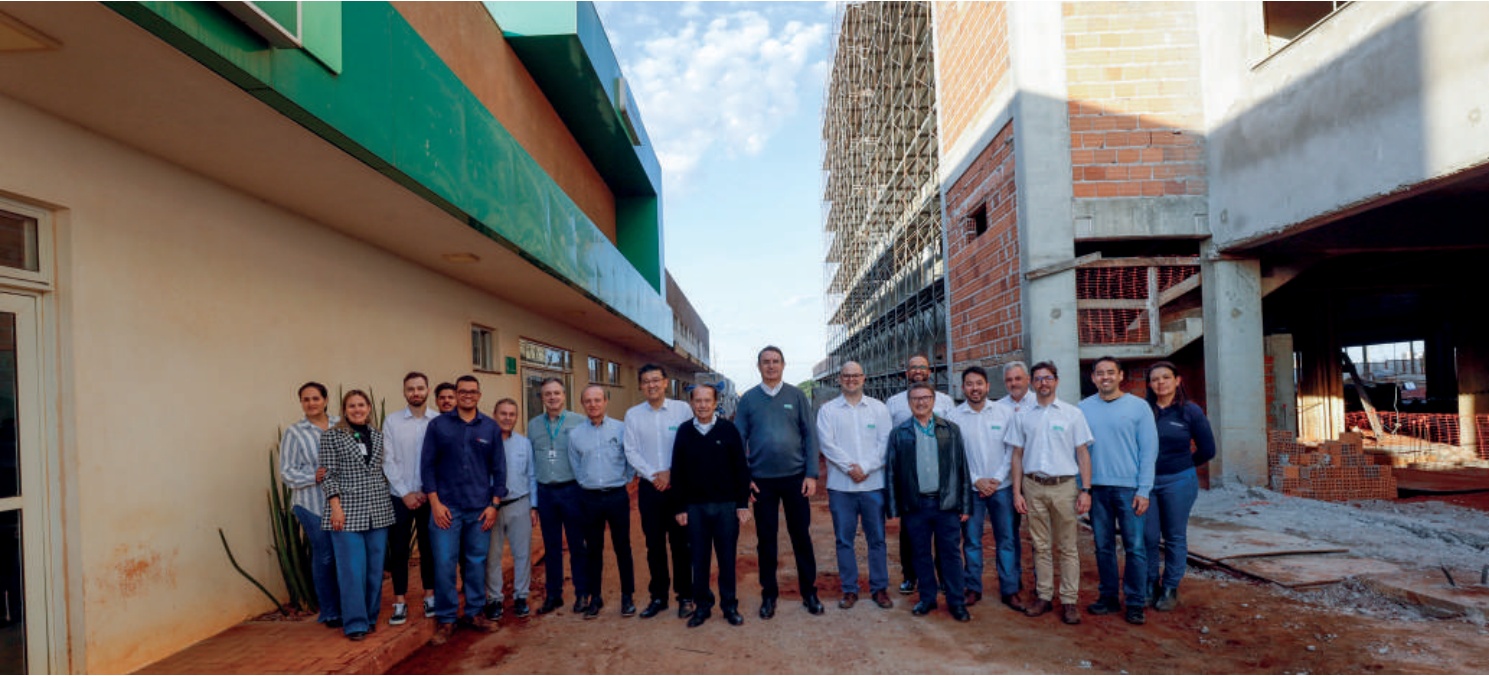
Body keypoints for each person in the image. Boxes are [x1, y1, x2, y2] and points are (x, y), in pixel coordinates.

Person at [734, 345, 823, 618]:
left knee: (801, 537)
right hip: (762, 482)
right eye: (766, 362)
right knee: (766, 540)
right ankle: (768, 595)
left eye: (775, 361)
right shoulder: (748, 399)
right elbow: (738, 440)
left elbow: (810, 436)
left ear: (783, 365)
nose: (771, 366)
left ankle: (809, 593)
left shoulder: (796, 396)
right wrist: (745, 478)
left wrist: (811, 474)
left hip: (796, 479)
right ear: (758, 366)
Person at [421, 375, 506, 645]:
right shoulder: (438, 426)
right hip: (446, 509)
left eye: (472, 391)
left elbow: (499, 470)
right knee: (444, 563)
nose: (467, 395)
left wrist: (494, 506)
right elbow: (427, 467)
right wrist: (435, 504)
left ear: (479, 395)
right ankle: (446, 620)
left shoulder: (490, 428)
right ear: (456, 394)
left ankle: (474, 613)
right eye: (462, 391)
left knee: (476, 562)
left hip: (480, 509)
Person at [1008, 362, 1093, 626]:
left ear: (1056, 381)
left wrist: (1086, 490)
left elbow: (1082, 453)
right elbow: (1017, 455)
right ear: (1032, 383)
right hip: (1033, 486)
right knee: (1040, 545)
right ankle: (1044, 596)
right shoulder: (1023, 415)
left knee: (1067, 546)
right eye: (1038, 379)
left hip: (1064, 487)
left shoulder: (1072, 414)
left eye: (1048, 378)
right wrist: (1017, 492)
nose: (1043, 383)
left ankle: (1069, 600)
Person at [1078, 356, 1158, 626]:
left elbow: (1148, 451)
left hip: (1129, 489)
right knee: (1103, 547)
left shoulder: (1139, 408)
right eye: (1100, 373)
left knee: (1135, 547)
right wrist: (1082, 487)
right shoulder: (1082, 409)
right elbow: (1079, 451)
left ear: (1121, 376)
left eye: (1110, 372)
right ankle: (1109, 597)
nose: (1105, 377)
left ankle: (1135, 602)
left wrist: (1144, 489)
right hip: (1097, 489)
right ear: (1093, 378)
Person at [884, 382, 973, 622]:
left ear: (933, 400)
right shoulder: (899, 433)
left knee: (950, 555)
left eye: (925, 398)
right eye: (915, 398)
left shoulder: (951, 430)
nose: (921, 402)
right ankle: (927, 598)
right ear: (909, 402)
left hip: (946, 505)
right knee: (920, 554)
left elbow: (962, 468)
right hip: (915, 506)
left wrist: (965, 505)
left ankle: (956, 602)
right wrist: (893, 508)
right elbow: (891, 472)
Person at [669, 384, 752, 628]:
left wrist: (742, 504)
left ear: (715, 403)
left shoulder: (728, 430)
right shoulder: (685, 431)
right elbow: (678, 471)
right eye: (698, 400)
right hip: (695, 508)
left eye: (707, 400)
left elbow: (741, 468)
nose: (703, 405)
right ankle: (702, 607)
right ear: (692, 403)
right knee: (699, 559)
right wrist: (680, 507)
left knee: (727, 558)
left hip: (726, 506)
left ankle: (729, 606)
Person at [816, 361, 893, 610]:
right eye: (846, 376)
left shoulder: (879, 409)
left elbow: (885, 443)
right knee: (844, 540)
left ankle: (879, 588)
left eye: (856, 375)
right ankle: (849, 589)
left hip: (873, 486)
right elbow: (827, 445)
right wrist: (851, 468)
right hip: (841, 488)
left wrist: (866, 468)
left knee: (877, 539)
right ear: (839, 379)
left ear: (864, 378)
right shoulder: (828, 411)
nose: (851, 379)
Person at [319, 389, 395, 640]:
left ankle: (370, 617)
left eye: (361, 405)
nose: (357, 409)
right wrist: (335, 507)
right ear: (344, 409)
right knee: (352, 571)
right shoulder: (332, 436)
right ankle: (355, 624)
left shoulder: (378, 435)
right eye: (351, 405)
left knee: (374, 571)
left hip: (378, 511)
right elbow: (328, 474)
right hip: (346, 512)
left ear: (369, 408)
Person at [622, 364, 695, 620]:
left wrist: (671, 473)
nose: (651, 385)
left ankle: (685, 596)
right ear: (640, 386)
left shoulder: (682, 410)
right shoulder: (633, 415)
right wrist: (655, 475)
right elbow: (631, 451)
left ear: (665, 382)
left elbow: (690, 444)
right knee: (654, 545)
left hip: (679, 488)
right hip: (650, 488)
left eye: (656, 380)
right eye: (646, 381)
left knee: (681, 544)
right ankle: (659, 597)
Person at [1143, 361, 1216, 612]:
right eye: (1155, 379)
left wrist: (1183, 466)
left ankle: (1170, 587)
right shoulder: (1144, 411)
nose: (1160, 383)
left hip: (1178, 482)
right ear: (1150, 384)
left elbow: (1208, 449)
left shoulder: (1190, 411)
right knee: (1148, 536)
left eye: (1166, 377)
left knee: (1174, 536)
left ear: (1177, 380)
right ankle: (1150, 583)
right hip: (1146, 484)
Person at [951, 365, 1023, 612]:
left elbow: (1012, 450)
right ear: (963, 388)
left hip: (1002, 488)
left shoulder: (1005, 413)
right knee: (972, 540)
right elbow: (955, 456)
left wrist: (996, 479)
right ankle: (973, 588)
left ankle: (1010, 590)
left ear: (988, 386)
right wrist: (976, 480)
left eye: (979, 383)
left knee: (1007, 539)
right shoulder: (954, 417)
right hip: (971, 490)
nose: (975, 388)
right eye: (970, 384)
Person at [884, 353, 954, 595]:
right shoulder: (893, 403)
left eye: (922, 367)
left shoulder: (945, 401)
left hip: (939, 477)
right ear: (906, 373)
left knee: (943, 536)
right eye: (913, 367)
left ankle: (943, 577)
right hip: (909, 479)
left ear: (930, 371)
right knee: (910, 534)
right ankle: (910, 576)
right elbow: (889, 441)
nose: (917, 371)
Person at [569, 384, 636, 619]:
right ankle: (595, 597)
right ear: (582, 404)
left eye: (597, 400)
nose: (593, 405)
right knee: (593, 550)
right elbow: (576, 465)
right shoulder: (576, 435)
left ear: (605, 402)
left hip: (617, 495)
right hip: (589, 498)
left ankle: (627, 597)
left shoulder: (621, 429)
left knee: (622, 547)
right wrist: (587, 483)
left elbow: (630, 460)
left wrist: (624, 480)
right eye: (588, 401)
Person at [280, 382, 340, 628]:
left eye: (316, 398)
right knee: (325, 555)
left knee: (343, 555)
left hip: (343, 503)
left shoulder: (341, 425)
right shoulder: (294, 433)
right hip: (311, 504)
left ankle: (349, 605)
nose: (311, 403)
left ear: (325, 400)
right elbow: (286, 472)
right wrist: (312, 476)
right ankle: (330, 611)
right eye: (306, 399)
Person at [382, 372, 440, 624]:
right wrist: (405, 493)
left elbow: (440, 460)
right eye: (410, 389)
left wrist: (428, 491)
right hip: (400, 496)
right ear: (404, 392)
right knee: (399, 550)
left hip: (429, 496)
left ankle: (430, 596)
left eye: (420, 388)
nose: (415, 393)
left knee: (429, 548)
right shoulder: (392, 421)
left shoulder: (437, 421)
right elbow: (388, 460)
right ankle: (399, 601)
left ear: (427, 390)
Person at [528, 377, 589, 615]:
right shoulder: (533, 425)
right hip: (546, 492)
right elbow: (532, 464)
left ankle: (582, 593)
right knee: (551, 547)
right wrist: (534, 503)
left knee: (577, 545)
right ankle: (553, 595)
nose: (552, 397)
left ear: (564, 395)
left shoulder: (580, 422)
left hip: (572, 491)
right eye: (547, 394)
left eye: (556, 393)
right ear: (542, 398)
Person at [485, 398, 538, 621]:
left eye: (512, 414)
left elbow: (532, 475)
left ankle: (521, 597)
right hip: (491, 508)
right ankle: (494, 599)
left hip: (519, 504)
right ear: (494, 415)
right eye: (503, 413)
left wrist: (533, 506)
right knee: (492, 555)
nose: (507, 418)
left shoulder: (524, 444)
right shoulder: (485, 442)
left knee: (522, 553)